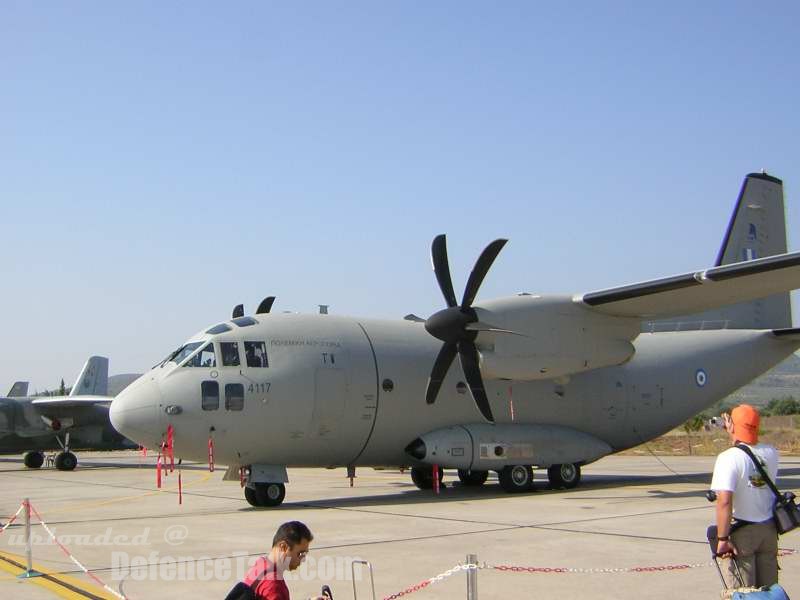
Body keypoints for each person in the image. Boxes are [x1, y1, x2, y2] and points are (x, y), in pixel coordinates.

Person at [710, 404, 779, 588]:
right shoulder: (771, 453)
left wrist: (723, 539)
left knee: (743, 590)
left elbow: (724, 501)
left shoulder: (728, 458)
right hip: (768, 531)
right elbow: (748, 450)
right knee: (768, 591)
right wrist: (736, 431)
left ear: (731, 425)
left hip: (743, 534)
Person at [239, 521, 328, 600]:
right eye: (300, 554)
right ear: (283, 547)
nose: (303, 559)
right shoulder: (273, 585)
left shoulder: (260, 565)